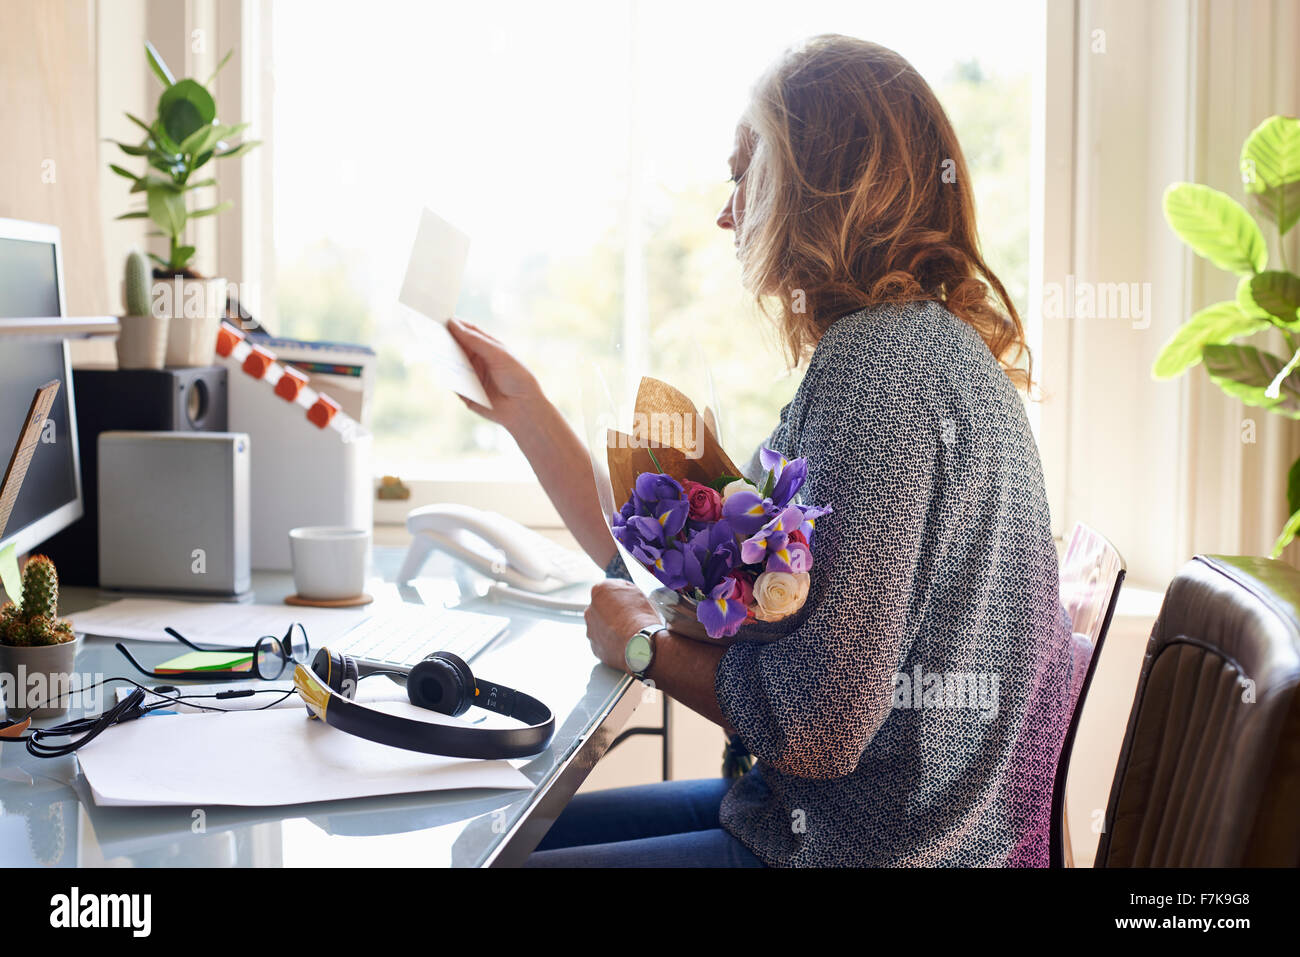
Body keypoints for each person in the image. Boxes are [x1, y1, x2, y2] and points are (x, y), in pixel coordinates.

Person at [448, 34, 1072, 867]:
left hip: (861, 848)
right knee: (495, 839)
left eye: (747, 170)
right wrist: (527, 411)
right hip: (839, 823)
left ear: (825, 185)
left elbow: (818, 729)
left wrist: (643, 648)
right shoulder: (909, 351)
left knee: (489, 851)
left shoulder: (879, 372)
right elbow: (671, 564)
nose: (726, 210)